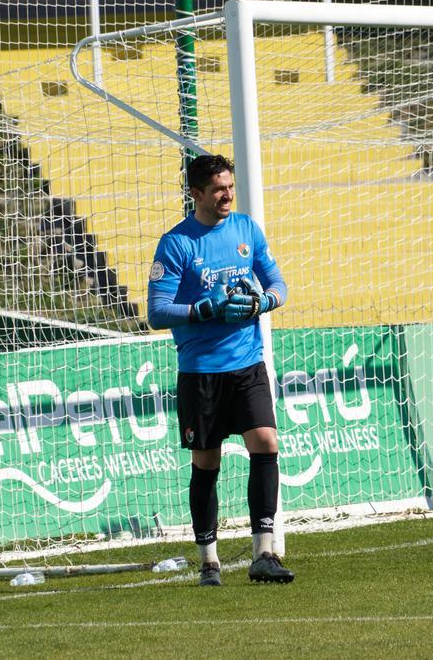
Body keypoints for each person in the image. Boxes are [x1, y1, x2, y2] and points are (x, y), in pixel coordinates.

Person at [146, 153, 294, 586]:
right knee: (207, 461)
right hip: (201, 371)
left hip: (247, 362)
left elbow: (279, 284)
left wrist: (262, 302)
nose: (227, 194)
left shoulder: (247, 230)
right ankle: (208, 559)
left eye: (230, 186)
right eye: (218, 189)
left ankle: (264, 553)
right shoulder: (177, 243)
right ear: (196, 194)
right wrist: (206, 308)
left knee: (266, 442)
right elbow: (157, 312)